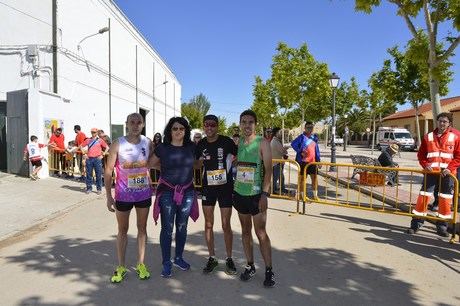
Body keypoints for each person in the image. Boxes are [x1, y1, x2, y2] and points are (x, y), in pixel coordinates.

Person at [105, 113, 153, 283]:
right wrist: (109, 197)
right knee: (122, 230)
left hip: (143, 194)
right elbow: (109, 170)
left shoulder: (148, 142)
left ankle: (141, 264)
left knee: (142, 229)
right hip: (123, 194)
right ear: (126, 124)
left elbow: (154, 162)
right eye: (132, 122)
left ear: (143, 124)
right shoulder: (118, 143)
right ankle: (121, 266)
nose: (135, 125)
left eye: (138, 122)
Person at [149, 117, 199, 278]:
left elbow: (197, 164)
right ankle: (166, 262)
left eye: (181, 129)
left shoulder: (192, 147)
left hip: (188, 191)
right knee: (167, 228)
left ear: (186, 131)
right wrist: (165, 167)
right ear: (170, 131)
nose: (178, 131)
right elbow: (151, 163)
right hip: (167, 192)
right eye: (175, 128)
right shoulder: (163, 148)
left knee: (182, 226)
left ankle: (178, 258)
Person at [233, 109, 275, 288]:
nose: (247, 125)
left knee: (261, 233)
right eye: (244, 122)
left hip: (256, 195)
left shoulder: (263, 143)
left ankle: (269, 270)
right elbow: (240, 162)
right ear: (240, 124)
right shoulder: (240, 141)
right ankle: (250, 265)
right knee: (245, 231)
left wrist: (264, 194)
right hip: (240, 193)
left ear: (255, 124)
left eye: (250, 122)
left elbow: (269, 170)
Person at [195, 114, 238, 275]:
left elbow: (238, 154)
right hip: (208, 188)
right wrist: (198, 161)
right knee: (208, 224)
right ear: (203, 126)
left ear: (217, 126)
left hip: (225, 188)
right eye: (207, 125)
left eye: (213, 125)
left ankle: (229, 258)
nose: (210, 128)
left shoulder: (226, 141)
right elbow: (197, 164)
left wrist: (231, 165)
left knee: (226, 224)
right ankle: (212, 257)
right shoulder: (201, 144)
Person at [407, 112, 460, 237]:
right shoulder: (428, 136)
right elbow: (421, 155)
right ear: (437, 122)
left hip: (448, 174)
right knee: (423, 197)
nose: (442, 123)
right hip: (431, 172)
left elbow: (458, 156)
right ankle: (415, 225)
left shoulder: (456, 136)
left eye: (445, 121)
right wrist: (425, 165)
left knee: (445, 200)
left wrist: (450, 168)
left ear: (449, 123)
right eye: (440, 121)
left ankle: (442, 227)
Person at [291, 121, 321, 199]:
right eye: (308, 127)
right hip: (303, 162)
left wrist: (319, 161)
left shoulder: (314, 137)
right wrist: (300, 151)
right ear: (305, 128)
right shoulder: (301, 137)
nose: (310, 129)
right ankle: (302, 195)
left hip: (313, 162)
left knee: (314, 179)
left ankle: (315, 195)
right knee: (303, 179)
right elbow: (293, 144)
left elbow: (316, 150)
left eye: (311, 127)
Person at [81, 128, 108, 194]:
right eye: (92, 132)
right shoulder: (88, 140)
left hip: (97, 159)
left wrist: (103, 154)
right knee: (88, 175)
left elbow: (107, 147)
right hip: (89, 159)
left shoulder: (100, 140)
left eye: (94, 132)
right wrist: (84, 154)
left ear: (97, 133)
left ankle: (99, 189)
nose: (93, 133)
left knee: (98, 175)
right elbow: (81, 146)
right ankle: (89, 188)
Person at [271, 127, 288, 194]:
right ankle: (273, 190)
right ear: (276, 133)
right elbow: (282, 151)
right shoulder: (275, 141)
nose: (281, 133)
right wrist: (286, 149)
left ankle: (282, 188)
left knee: (281, 177)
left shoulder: (276, 140)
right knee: (276, 177)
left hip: (278, 162)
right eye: (279, 132)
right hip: (276, 163)